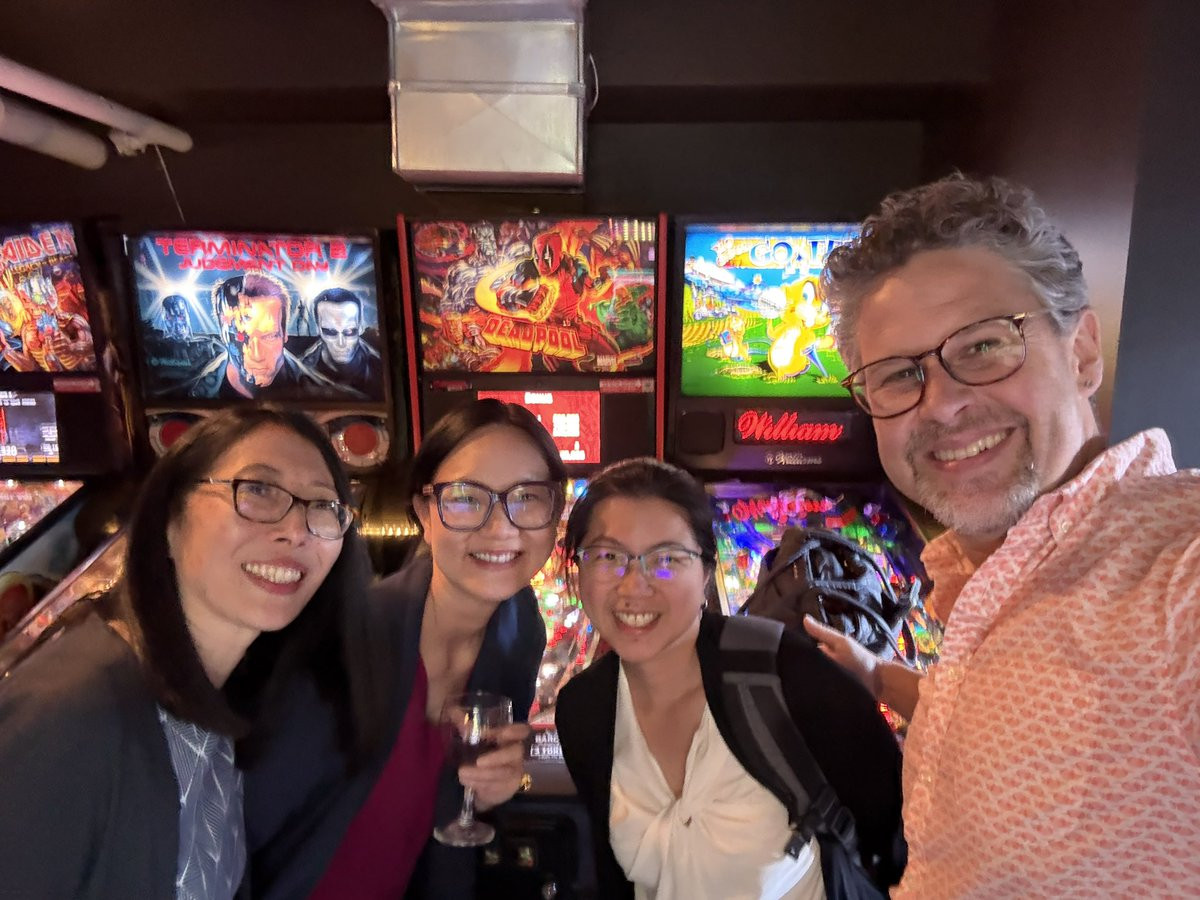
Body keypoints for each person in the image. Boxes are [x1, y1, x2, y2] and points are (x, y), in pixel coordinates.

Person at [806, 173, 1200, 897]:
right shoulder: (980, 573)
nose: (943, 405)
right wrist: (879, 676)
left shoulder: (1176, 573)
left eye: (984, 346)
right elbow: (1015, 725)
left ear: (1083, 353)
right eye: (898, 375)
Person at [0, 405, 375, 899]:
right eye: (258, 490)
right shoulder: (69, 715)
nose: (297, 530)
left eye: (323, 506)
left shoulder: (216, 695)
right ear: (168, 519)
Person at [244, 398, 566, 899]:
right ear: (424, 514)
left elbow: (462, 800)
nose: (501, 527)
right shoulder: (339, 640)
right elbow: (239, 831)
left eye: (527, 497)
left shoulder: (520, 629)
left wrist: (493, 789)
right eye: (466, 498)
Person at [555, 457, 906, 899]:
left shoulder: (787, 676)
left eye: (666, 558)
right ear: (579, 568)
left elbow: (897, 838)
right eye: (608, 556)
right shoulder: (583, 710)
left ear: (707, 572)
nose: (633, 586)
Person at [178, 272, 347, 400]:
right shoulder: (193, 394)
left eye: (269, 336)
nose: (257, 355)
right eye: (241, 337)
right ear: (223, 335)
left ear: (284, 335)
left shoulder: (325, 394)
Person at [300, 287, 383, 398]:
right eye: (330, 332)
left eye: (349, 331)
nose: (341, 343)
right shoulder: (301, 371)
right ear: (318, 329)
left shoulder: (380, 367)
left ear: (360, 328)